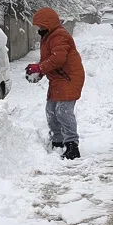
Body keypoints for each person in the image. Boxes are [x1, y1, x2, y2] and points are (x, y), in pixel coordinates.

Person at [25, 8, 85, 160]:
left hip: (70, 78)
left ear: (48, 23)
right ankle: (57, 141)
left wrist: (40, 68)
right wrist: (39, 73)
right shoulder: (47, 37)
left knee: (63, 111)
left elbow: (59, 59)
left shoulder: (59, 35)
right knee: (51, 110)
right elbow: (49, 60)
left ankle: (72, 145)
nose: (39, 29)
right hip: (58, 79)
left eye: (40, 26)